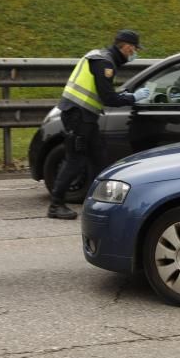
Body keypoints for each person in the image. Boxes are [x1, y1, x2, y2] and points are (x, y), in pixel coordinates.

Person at [47, 29, 151, 219]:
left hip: (84, 116)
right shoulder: (104, 63)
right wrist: (132, 98)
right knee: (75, 160)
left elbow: (106, 94)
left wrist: (126, 96)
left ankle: (101, 203)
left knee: (99, 158)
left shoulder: (101, 57)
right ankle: (56, 205)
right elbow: (108, 97)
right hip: (78, 117)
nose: (135, 53)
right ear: (127, 47)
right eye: (135, 49)